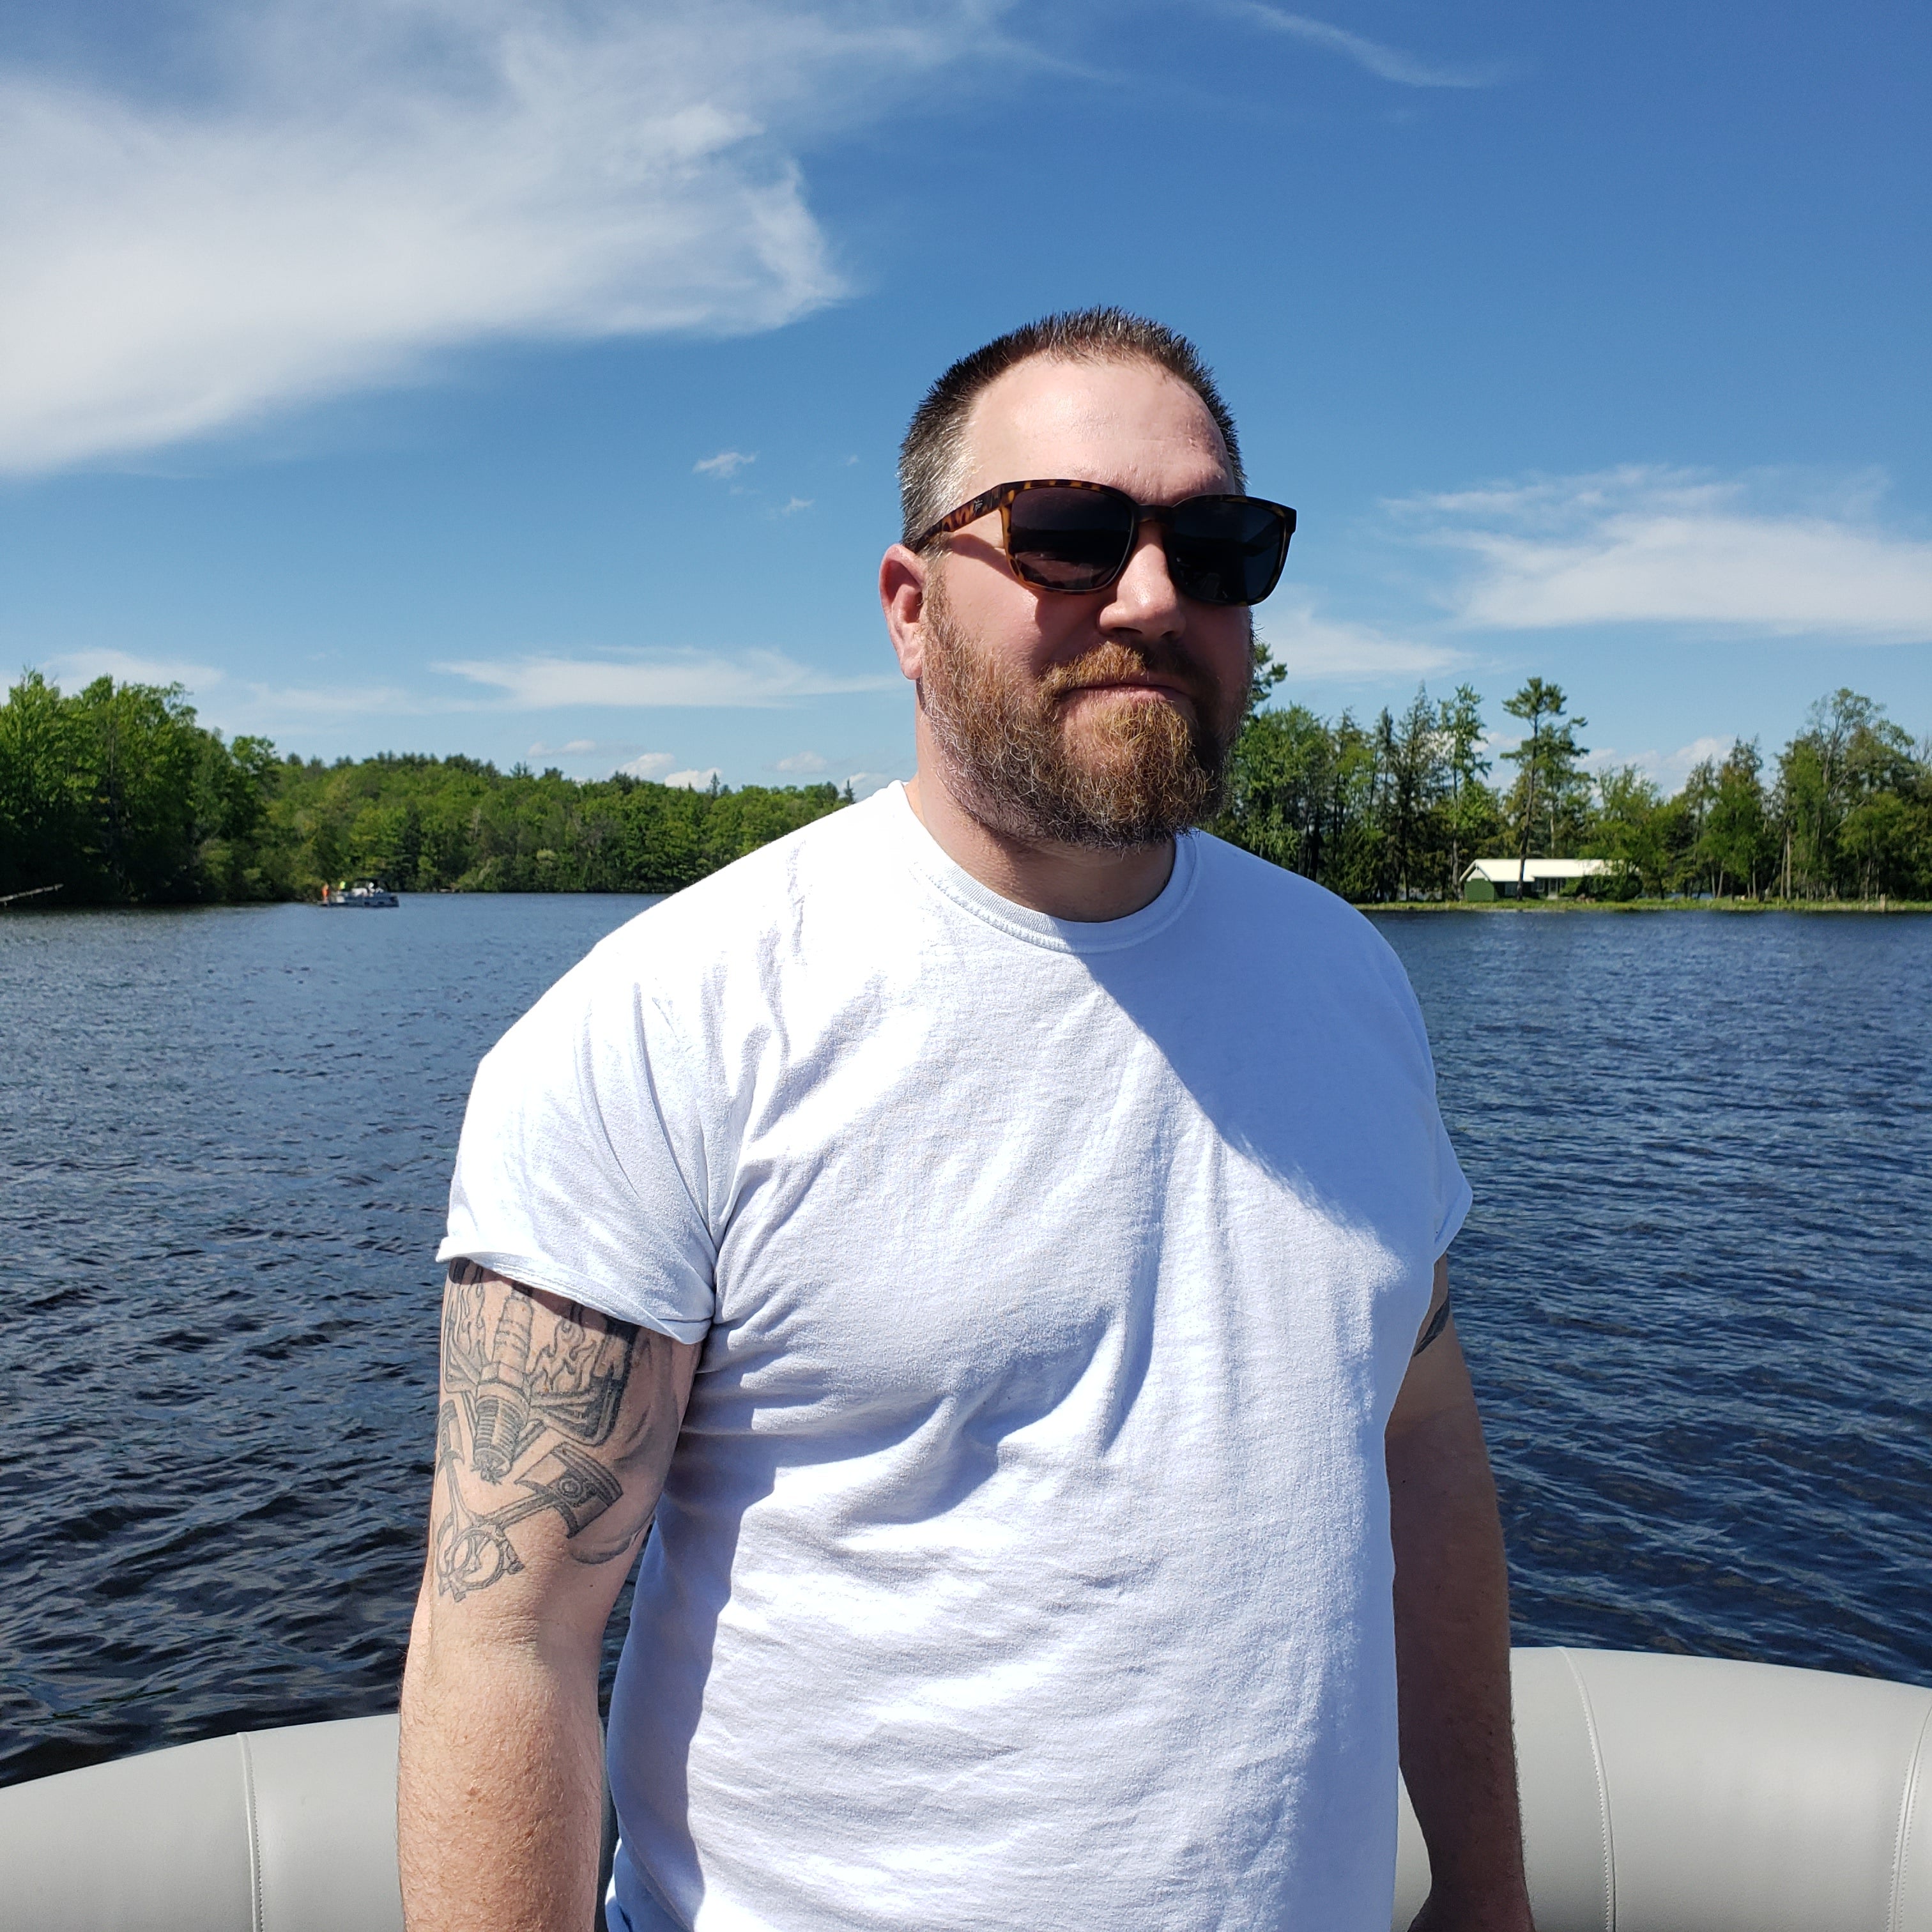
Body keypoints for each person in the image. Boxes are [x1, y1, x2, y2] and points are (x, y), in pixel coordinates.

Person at [398, 309, 1532, 1932]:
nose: (1151, 597)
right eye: (1068, 537)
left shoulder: (1347, 979)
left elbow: (1419, 1444)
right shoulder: (670, 1023)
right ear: (912, 609)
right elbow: (509, 1636)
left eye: (1218, 547)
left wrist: (1485, 1891)